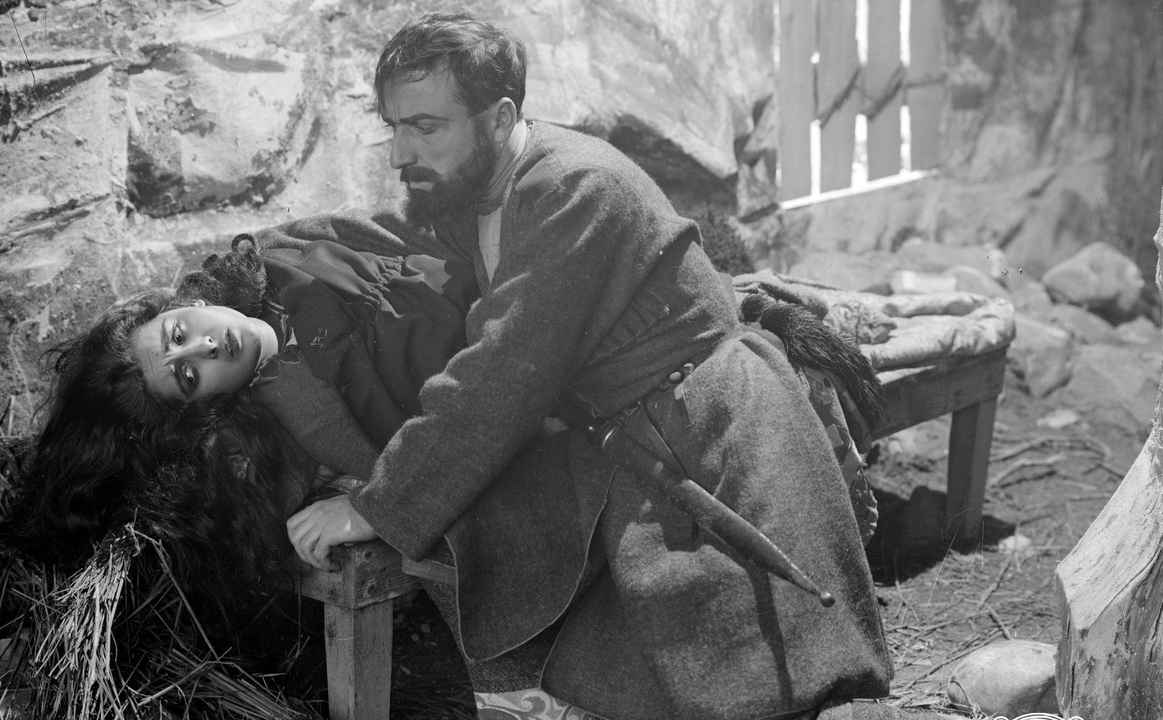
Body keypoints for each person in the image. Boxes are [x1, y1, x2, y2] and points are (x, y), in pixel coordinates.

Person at [269, 11, 896, 720]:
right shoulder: (473, 192)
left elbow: (501, 373)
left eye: (425, 127)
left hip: (710, 434)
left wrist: (375, 505)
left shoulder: (576, 190)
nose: (398, 154)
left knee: (749, 676)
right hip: (627, 430)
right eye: (394, 127)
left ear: (501, 116)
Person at [0, 235, 479, 628]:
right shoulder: (298, 410)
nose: (206, 346)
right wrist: (375, 506)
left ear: (187, 303)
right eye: (189, 376)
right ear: (206, 407)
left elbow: (401, 229)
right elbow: (409, 463)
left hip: (489, 281)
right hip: (490, 395)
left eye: (179, 334)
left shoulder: (279, 255)